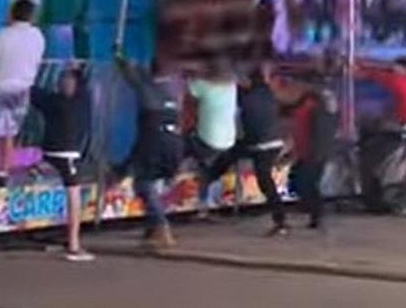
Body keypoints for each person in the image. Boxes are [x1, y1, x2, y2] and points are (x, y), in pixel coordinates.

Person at [201, 62, 288, 235]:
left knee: (263, 179)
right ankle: (209, 180)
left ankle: (281, 221)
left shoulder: (248, 96)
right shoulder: (265, 92)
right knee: (235, 158)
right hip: (270, 142)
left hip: (261, 144)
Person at [0, 0, 46, 189]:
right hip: (22, 90)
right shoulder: (38, 36)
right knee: (8, 133)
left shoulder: (3, 35)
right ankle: (3, 173)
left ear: (12, 13)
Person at [116, 55, 185, 248]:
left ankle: (160, 226)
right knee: (155, 179)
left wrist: (121, 61)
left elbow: (132, 75)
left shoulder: (147, 88)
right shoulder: (173, 88)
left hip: (155, 139)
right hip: (175, 141)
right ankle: (152, 228)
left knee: (143, 182)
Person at [33, 66, 94, 262]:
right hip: (61, 154)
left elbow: (35, 94)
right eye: (61, 78)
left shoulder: (66, 103)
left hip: (61, 154)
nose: (62, 82)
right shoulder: (64, 102)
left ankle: (71, 241)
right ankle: (73, 245)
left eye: (67, 79)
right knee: (73, 196)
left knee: (73, 195)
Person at [362, 58, 406, 214]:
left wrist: (358, 66)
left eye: (396, 67)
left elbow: (375, 76)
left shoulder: (398, 81)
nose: (393, 69)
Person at [187, 58, 239, 218]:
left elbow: (189, 89)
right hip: (229, 140)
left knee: (183, 141)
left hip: (208, 139)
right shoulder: (231, 85)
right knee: (209, 163)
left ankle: (200, 202)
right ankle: (210, 197)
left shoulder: (204, 85)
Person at [282, 75, 337, 229]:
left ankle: (315, 214)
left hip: (313, 152)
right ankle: (312, 212)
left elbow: (320, 132)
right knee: (302, 181)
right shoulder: (307, 105)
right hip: (307, 151)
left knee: (307, 183)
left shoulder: (317, 107)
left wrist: (315, 153)